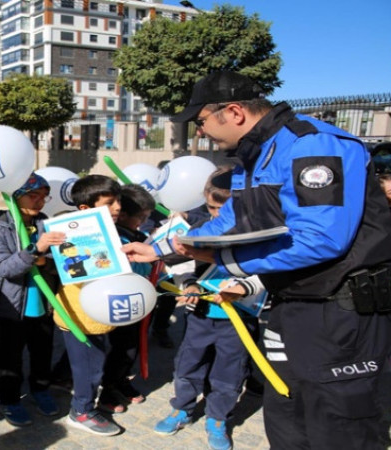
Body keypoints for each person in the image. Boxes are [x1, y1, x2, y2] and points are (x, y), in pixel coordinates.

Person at [123, 70, 391, 449]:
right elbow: (232, 220)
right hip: (293, 306)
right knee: (287, 418)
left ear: (232, 112)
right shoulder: (256, 153)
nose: (201, 132)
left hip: (340, 315)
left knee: (340, 427)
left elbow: (322, 239)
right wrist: (160, 250)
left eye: (201, 121)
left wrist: (230, 259)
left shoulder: (313, 145)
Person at [153, 166, 261, 450]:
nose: (213, 215)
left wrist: (242, 289)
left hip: (238, 318)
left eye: (218, 208)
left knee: (230, 371)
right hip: (201, 316)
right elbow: (190, 268)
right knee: (189, 363)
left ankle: (217, 418)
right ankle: (182, 409)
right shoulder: (204, 230)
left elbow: (266, 274)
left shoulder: (258, 234)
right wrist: (190, 286)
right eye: (210, 207)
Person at [0, 173, 64, 427]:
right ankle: (8, 399)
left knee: (43, 351)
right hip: (12, 305)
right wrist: (34, 252)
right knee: (10, 356)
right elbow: (3, 267)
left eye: (43, 196)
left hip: (43, 302)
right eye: (33, 195)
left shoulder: (44, 222)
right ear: (15, 196)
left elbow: (59, 261)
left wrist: (45, 260)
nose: (40, 202)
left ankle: (40, 390)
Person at [56, 174, 122, 436]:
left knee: (92, 360)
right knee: (89, 365)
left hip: (99, 312)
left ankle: (80, 396)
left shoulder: (110, 230)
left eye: (118, 201)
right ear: (85, 209)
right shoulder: (70, 234)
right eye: (109, 203)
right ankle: (81, 411)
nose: (117, 207)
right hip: (80, 314)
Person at [97, 183, 155, 414]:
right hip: (119, 301)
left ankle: (120, 380)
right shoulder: (114, 238)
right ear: (123, 215)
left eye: (147, 216)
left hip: (139, 299)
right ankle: (107, 389)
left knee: (132, 347)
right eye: (140, 217)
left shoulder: (136, 234)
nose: (144, 221)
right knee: (121, 347)